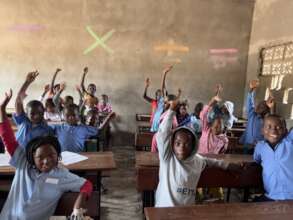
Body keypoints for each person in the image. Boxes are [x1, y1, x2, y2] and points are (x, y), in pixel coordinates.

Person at [0, 89, 93, 220]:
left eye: (52, 156)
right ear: (32, 157)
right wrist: (2, 109)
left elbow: (87, 185)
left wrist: (77, 207)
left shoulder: (61, 174)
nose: (46, 161)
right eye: (40, 157)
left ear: (58, 156)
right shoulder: (23, 162)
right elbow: (7, 137)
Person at [155, 97, 241, 207]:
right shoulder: (168, 158)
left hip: (187, 213)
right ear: (172, 144)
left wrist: (228, 165)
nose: (182, 147)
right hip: (164, 212)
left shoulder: (197, 160)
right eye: (178, 144)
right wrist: (171, 110)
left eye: (187, 144)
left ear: (193, 146)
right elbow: (162, 135)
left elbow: (212, 161)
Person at [50, 104, 115, 152]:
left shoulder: (84, 128)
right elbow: (44, 130)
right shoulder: (58, 128)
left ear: (78, 116)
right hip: (62, 159)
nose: (71, 117)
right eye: (68, 115)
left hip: (78, 158)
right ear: (63, 116)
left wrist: (108, 119)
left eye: (74, 115)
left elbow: (100, 132)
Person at [13, 71, 53, 148]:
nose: (36, 116)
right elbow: (18, 100)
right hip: (17, 153)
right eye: (32, 114)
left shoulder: (46, 129)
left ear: (43, 112)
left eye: (39, 113)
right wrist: (27, 82)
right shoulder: (23, 120)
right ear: (26, 114)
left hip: (33, 156)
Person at [240, 79, 274, 153]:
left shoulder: (267, 119)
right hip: (248, 145)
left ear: (266, 109)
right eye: (259, 105)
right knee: (245, 161)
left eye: (262, 106)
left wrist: (271, 105)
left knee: (257, 163)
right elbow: (249, 101)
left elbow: (273, 119)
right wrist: (251, 89)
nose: (258, 107)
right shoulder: (252, 114)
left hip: (260, 147)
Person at [198, 85, 228, 154]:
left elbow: (222, 154)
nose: (218, 129)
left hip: (213, 162)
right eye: (216, 127)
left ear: (223, 129)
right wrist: (210, 103)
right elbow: (203, 115)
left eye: (221, 127)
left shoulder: (224, 139)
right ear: (211, 126)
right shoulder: (206, 130)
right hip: (201, 158)